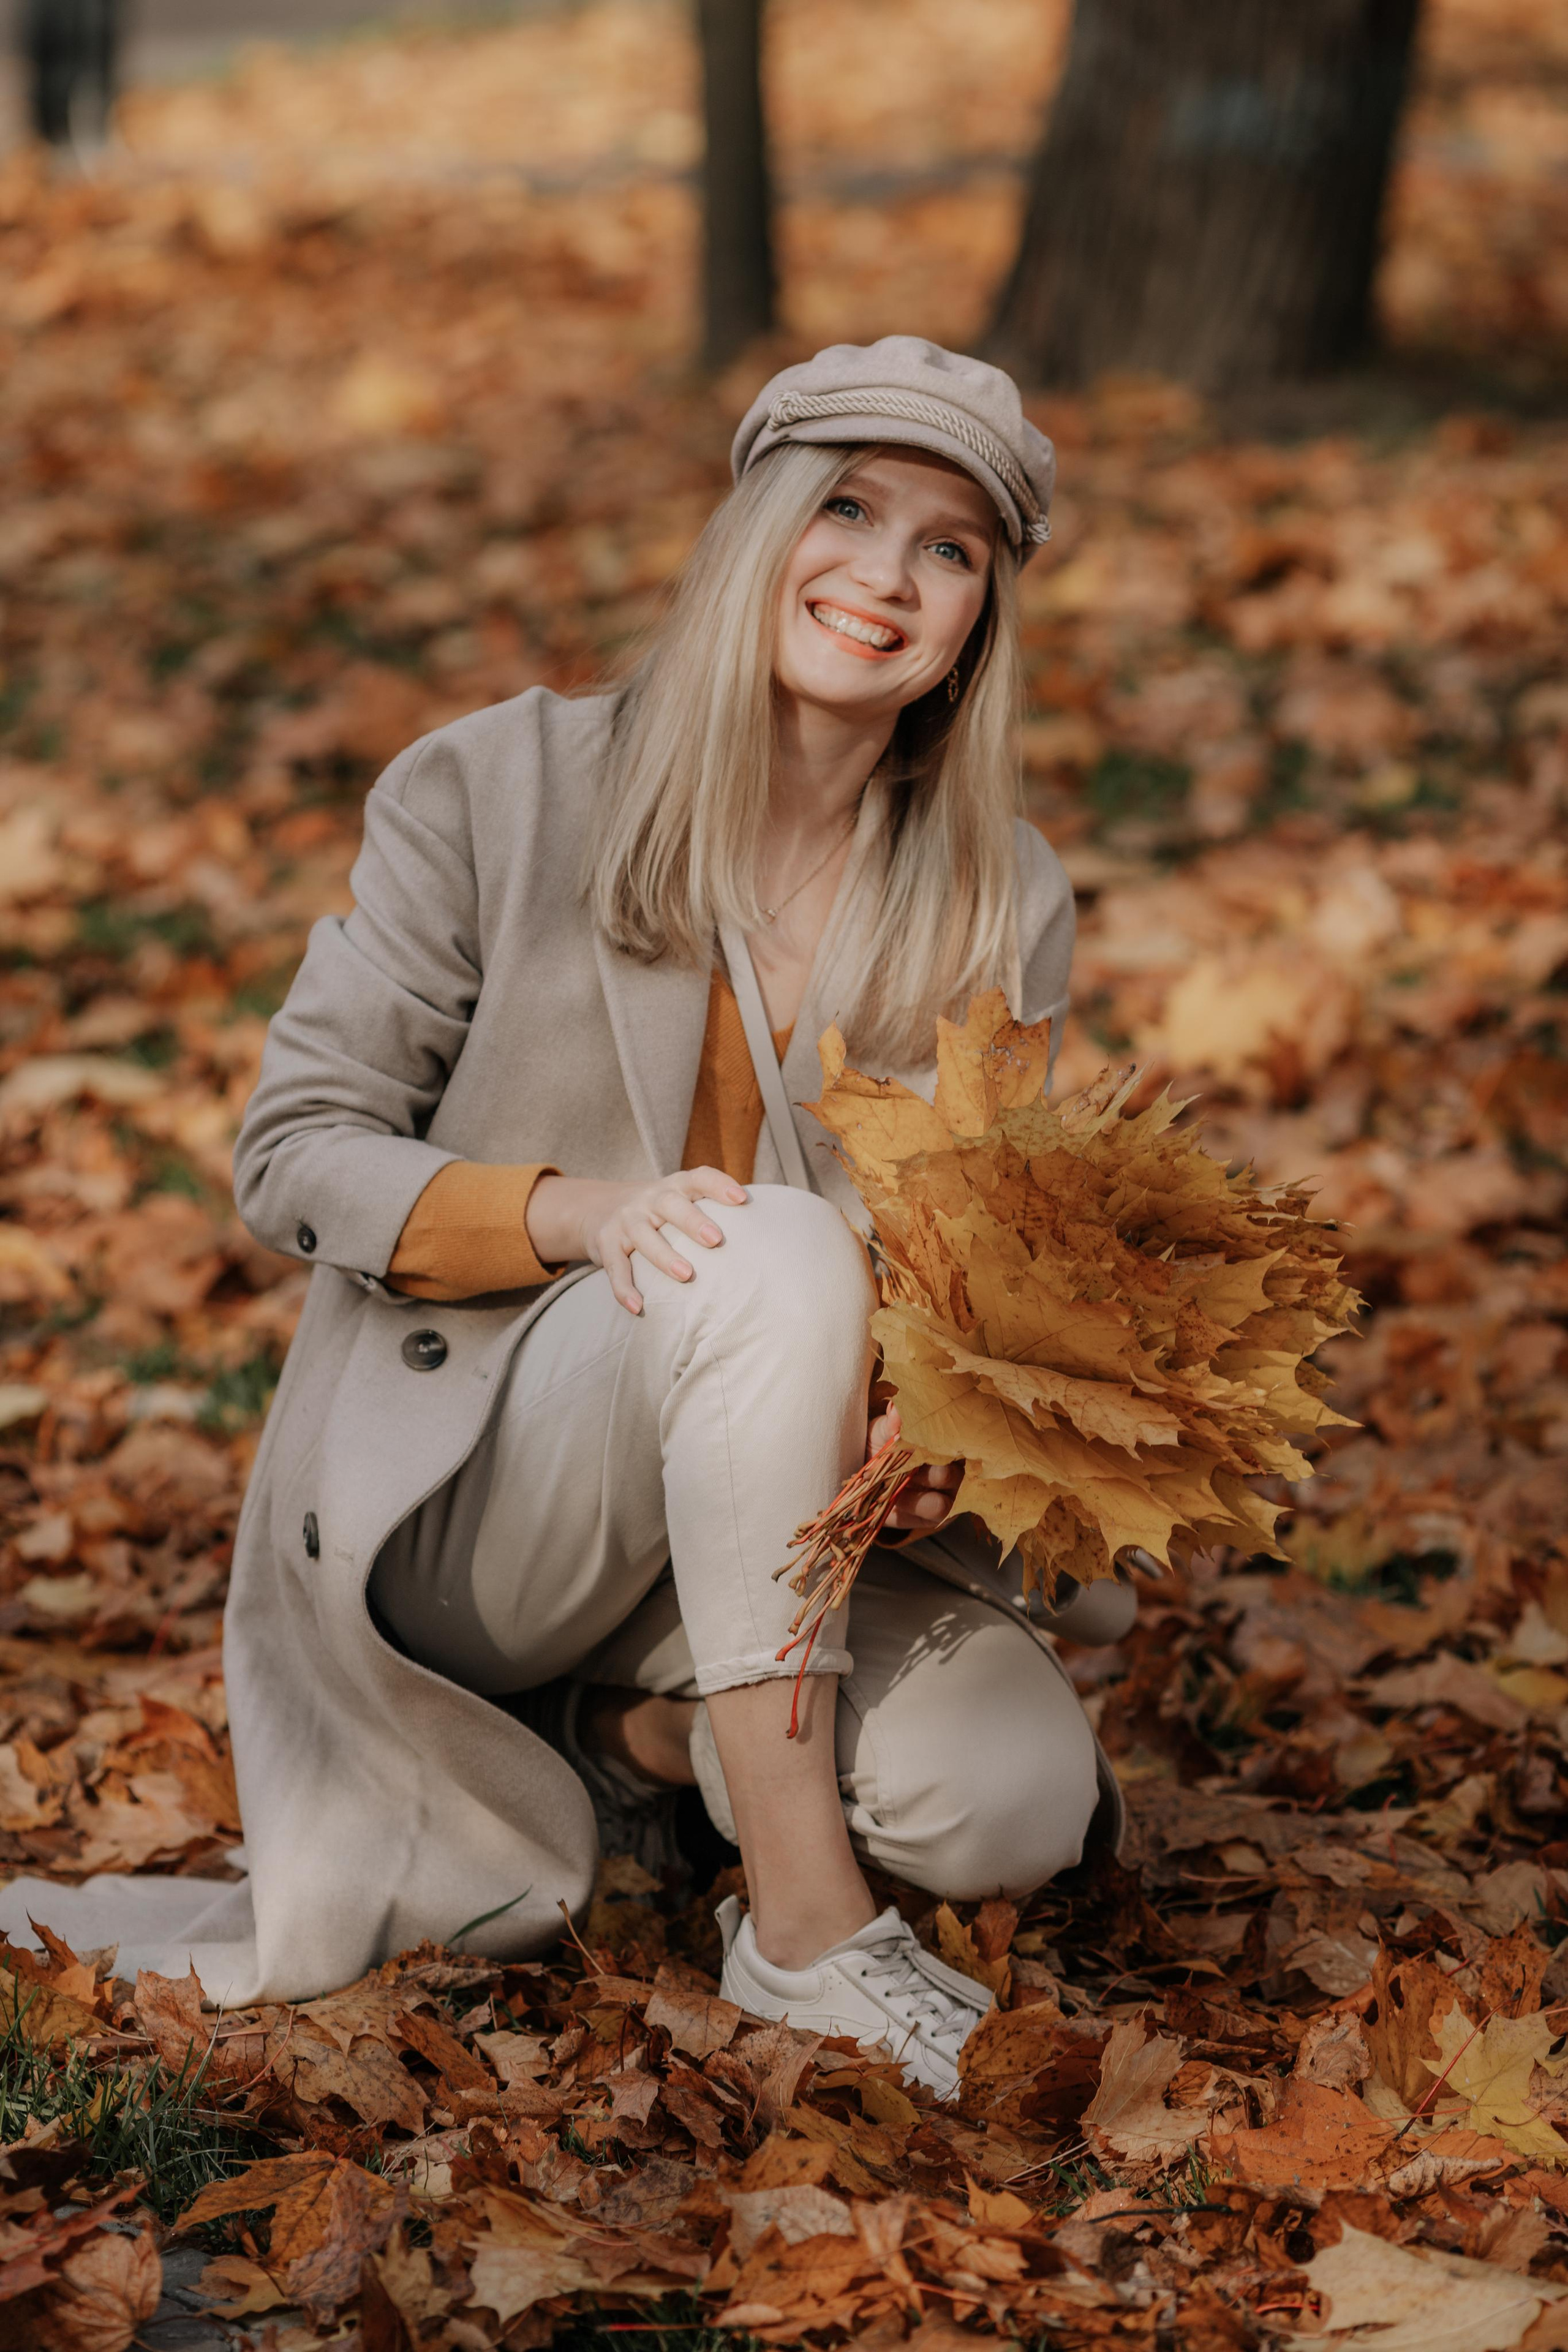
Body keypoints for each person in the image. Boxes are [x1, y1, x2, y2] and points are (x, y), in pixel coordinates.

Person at [0, 339, 1132, 2095]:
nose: (885, 577)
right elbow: (294, 1146)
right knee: (763, 1246)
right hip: (491, 1492)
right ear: (757, 523)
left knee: (1013, 1806)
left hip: (774, 1512)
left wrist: (944, 1417)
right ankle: (808, 1933)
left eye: (950, 547)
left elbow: (983, 1254)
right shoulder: (497, 788)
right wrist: (577, 1214)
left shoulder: (1003, 892)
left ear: (984, 611)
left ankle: (627, 1749)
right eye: (846, 509)